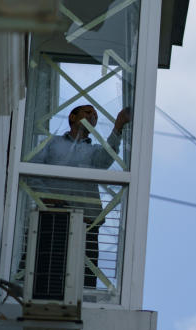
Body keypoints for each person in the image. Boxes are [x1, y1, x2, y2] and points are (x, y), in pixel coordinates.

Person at [28, 104, 132, 290]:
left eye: (95, 114)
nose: (93, 116)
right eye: (87, 111)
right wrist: (44, 196)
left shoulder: (93, 152)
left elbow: (106, 159)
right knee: (41, 264)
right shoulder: (53, 142)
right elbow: (32, 168)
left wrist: (118, 126)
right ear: (73, 117)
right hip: (50, 215)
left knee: (85, 276)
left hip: (86, 220)